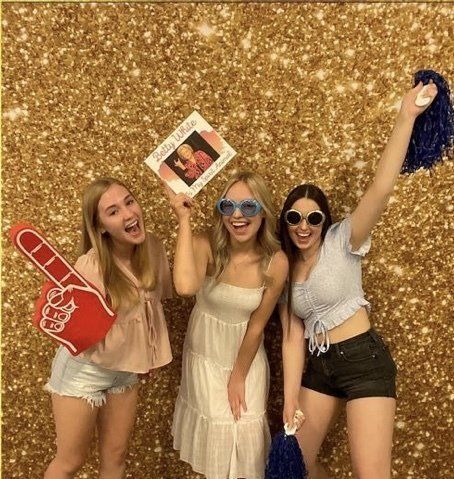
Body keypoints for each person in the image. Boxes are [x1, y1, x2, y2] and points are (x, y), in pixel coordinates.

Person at [278, 81, 438, 479]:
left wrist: (406, 117)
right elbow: (293, 338)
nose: (303, 226)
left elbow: (381, 188)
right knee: (295, 466)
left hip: (364, 361)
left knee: (371, 473)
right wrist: (289, 399)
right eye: (294, 217)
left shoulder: (342, 240)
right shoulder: (285, 267)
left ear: (325, 221)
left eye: (313, 218)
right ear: (285, 221)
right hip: (319, 366)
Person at [44, 177, 173, 479]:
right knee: (70, 461)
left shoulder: (153, 248)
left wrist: (146, 356)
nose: (128, 214)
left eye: (129, 202)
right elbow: (77, 330)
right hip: (85, 369)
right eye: (113, 212)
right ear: (100, 227)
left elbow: (150, 309)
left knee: (115, 457)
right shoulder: (91, 266)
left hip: (124, 370)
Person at [166, 171, 288, 479]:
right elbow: (185, 286)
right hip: (205, 357)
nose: (236, 215)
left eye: (248, 206)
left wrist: (238, 376)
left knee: (243, 447)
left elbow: (257, 326)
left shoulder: (276, 262)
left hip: (245, 360)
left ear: (263, 211)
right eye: (227, 206)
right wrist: (184, 220)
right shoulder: (205, 244)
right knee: (216, 452)